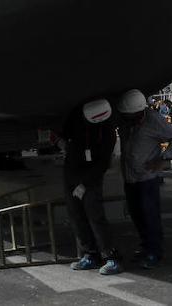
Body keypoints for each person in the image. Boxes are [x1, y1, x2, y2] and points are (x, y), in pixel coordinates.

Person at [117, 90, 172, 269]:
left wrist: (164, 159)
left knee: (149, 215)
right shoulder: (126, 122)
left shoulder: (153, 120)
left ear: (139, 112)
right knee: (137, 215)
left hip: (147, 178)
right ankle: (146, 247)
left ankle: (154, 251)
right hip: (130, 177)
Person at [62, 99, 121, 275]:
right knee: (76, 215)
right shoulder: (76, 117)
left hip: (91, 175)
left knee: (94, 215)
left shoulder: (107, 132)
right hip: (72, 171)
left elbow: (102, 163)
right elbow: (67, 137)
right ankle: (90, 254)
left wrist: (85, 184)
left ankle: (111, 257)